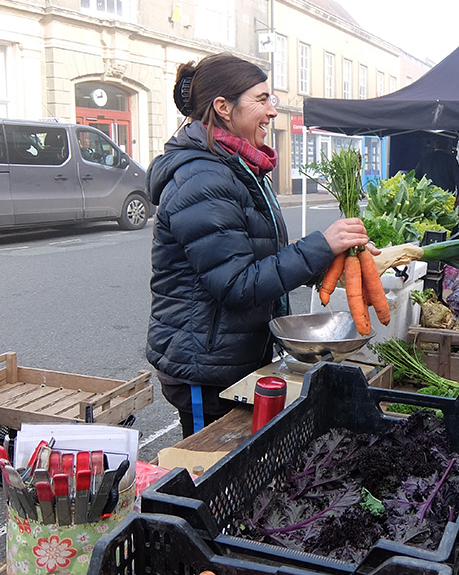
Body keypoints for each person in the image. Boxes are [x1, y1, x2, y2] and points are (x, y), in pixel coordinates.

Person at [147, 53, 372, 438]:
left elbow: (260, 255)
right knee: (207, 472)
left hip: (232, 354)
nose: (273, 110)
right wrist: (321, 245)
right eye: (262, 99)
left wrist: (333, 258)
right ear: (223, 107)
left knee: (237, 465)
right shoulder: (202, 179)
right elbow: (237, 283)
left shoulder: (240, 167)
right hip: (204, 364)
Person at [414, 139, 459, 205]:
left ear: (435, 146)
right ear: (447, 146)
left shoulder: (425, 159)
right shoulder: (451, 160)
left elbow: (415, 177)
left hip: (429, 197)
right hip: (447, 197)